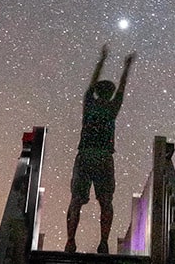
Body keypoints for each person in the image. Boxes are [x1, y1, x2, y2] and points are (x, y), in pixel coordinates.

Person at [65, 44, 135, 254]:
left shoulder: (89, 104)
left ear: (96, 92)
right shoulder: (112, 108)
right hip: (104, 158)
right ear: (110, 93)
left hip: (85, 156)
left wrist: (102, 60)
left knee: (76, 200)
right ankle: (103, 242)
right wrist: (126, 67)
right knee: (106, 202)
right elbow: (122, 87)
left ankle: (70, 241)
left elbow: (91, 83)